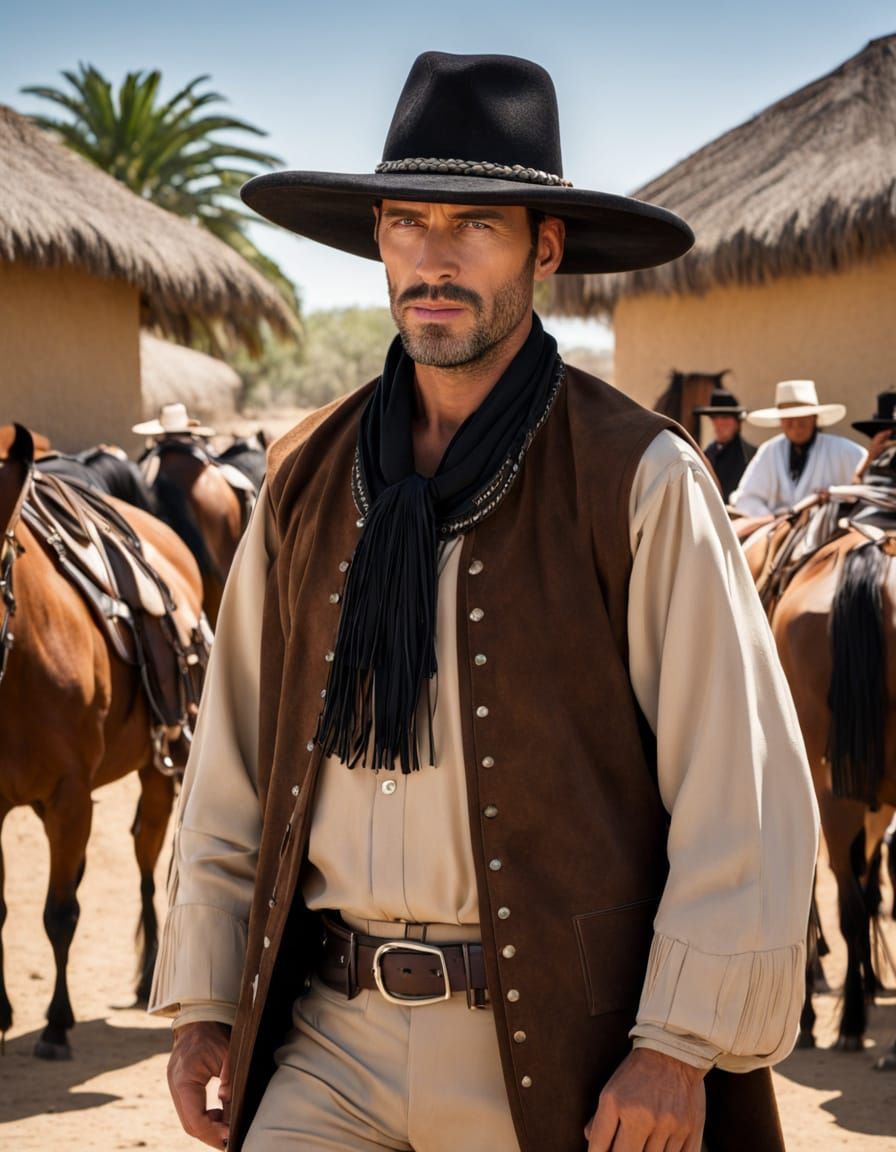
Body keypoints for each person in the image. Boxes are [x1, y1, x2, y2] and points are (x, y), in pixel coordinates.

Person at [149, 52, 818, 1152]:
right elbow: (233, 766)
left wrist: (675, 1046)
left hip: (552, 1052)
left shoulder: (637, 476)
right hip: (327, 1039)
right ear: (376, 241)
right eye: (406, 221)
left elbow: (734, 786)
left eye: (474, 225)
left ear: (542, 248)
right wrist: (206, 1003)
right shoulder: (306, 473)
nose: (433, 255)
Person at [729, 380, 865, 517]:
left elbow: (864, 488)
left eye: (801, 417)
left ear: (813, 418)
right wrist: (769, 520)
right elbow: (746, 498)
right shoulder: (770, 451)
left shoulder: (843, 450)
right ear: (781, 421)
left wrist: (835, 500)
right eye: (789, 418)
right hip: (776, 531)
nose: (795, 424)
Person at [692, 385, 756, 502]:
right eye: (715, 417)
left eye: (725, 417)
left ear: (738, 422)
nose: (719, 422)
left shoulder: (751, 455)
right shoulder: (706, 455)